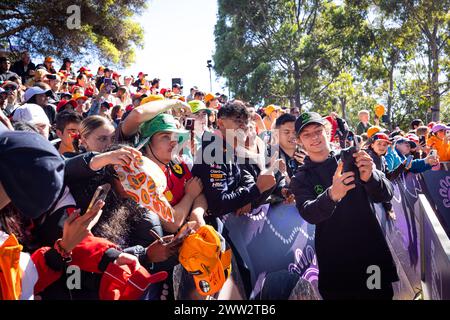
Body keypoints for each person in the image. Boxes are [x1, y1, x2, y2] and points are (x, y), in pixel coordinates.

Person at [290, 111, 398, 300]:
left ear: (328, 131)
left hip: (371, 256)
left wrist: (370, 177)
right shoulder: (301, 178)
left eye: (318, 130)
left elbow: (387, 193)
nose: (314, 137)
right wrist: (331, 195)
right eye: (307, 134)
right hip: (336, 264)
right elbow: (309, 213)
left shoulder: (352, 158)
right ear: (299, 141)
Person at [272, 113, 305, 180]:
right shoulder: (270, 156)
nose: (292, 136)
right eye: (287, 132)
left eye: (295, 132)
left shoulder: (306, 154)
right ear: (276, 134)